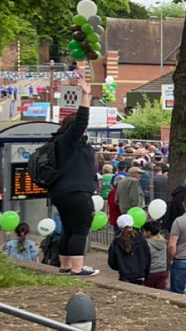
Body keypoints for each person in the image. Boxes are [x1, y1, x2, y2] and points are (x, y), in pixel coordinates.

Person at [47, 68, 99, 276]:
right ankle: (77, 268)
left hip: (62, 192)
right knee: (80, 229)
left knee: (69, 228)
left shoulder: (59, 143)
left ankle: (66, 265)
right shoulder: (69, 141)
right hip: (77, 192)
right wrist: (85, 96)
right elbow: (81, 122)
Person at [107, 214, 151, 284]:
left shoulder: (116, 242)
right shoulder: (142, 240)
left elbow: (112, 262)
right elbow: (148, 258)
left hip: (125, 275)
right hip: (140, 275)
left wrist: (121, 267)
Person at [143, 222, 168, 289]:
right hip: (163, 270)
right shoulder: (163, 242)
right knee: (161, 293)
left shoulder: (146, 244)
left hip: (151, 271)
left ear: (149, 232)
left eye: (144, 231)